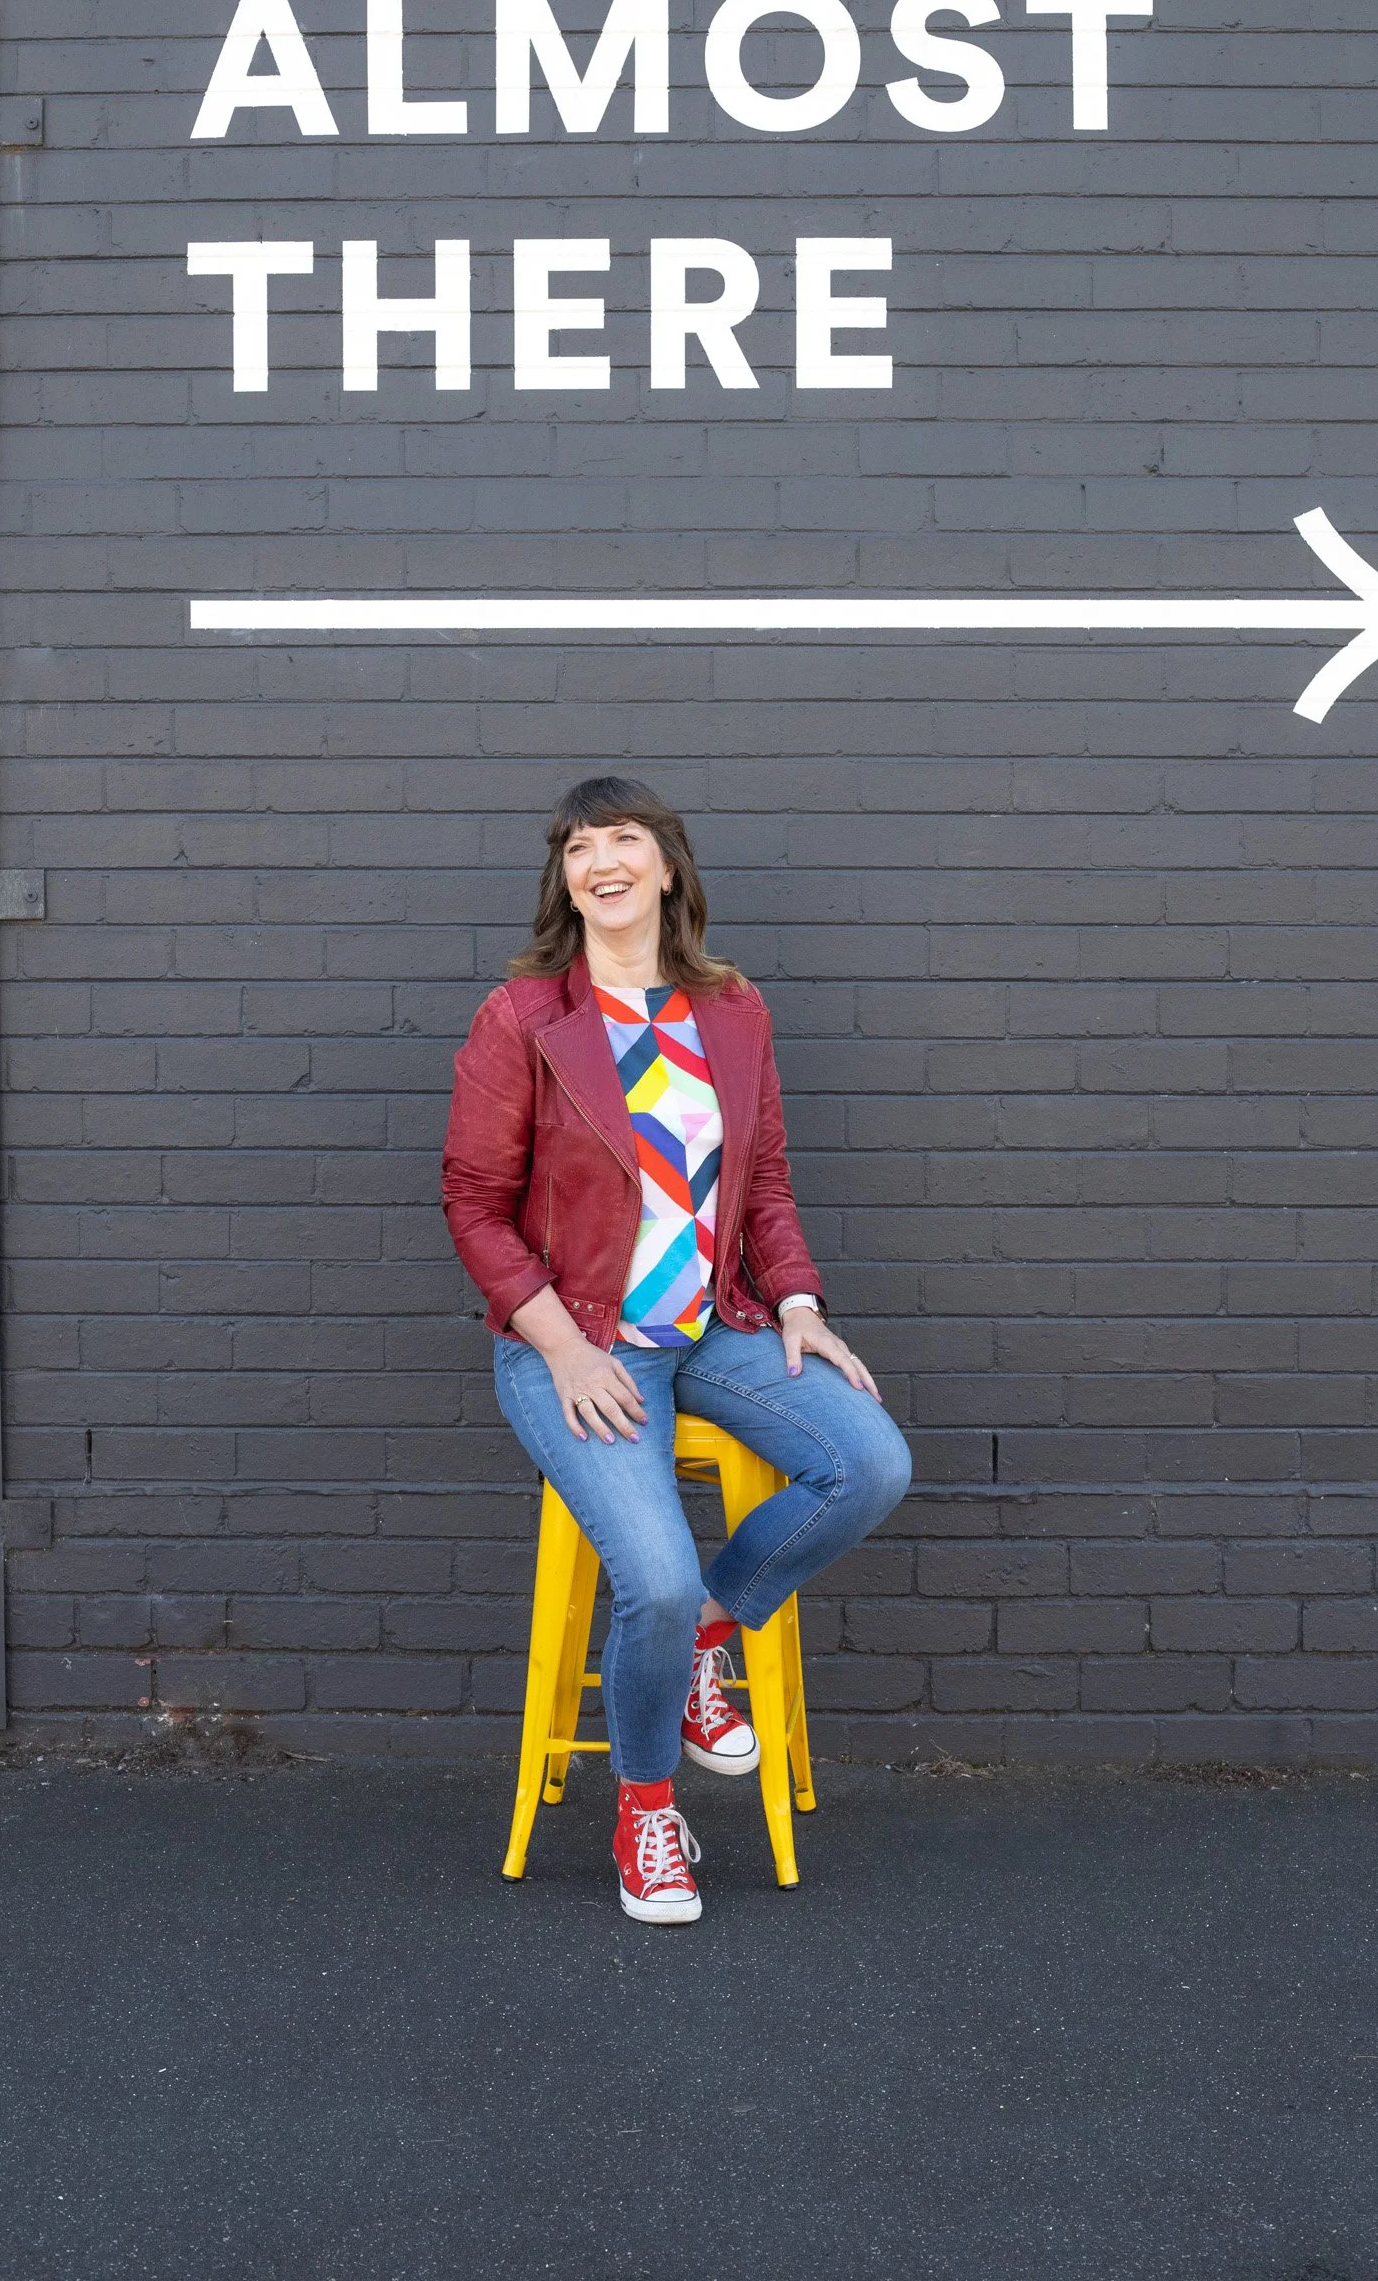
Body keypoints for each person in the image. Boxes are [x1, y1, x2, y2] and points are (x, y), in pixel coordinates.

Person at [441, 777, 912, 1925]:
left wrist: (796, 1301)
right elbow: (472, 1201)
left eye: (624, 840)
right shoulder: (526, 1017)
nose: (600, 860)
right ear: (567, 880)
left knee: (869, 1464)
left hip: (712, 1330)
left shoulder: (730, 1011)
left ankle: (715, 1629)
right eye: (578, 847)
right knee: (640, 1574)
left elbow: (765, 1186)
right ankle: (645, 1806)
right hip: (577, 1342)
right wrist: (559, 1347)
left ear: (664, 867)